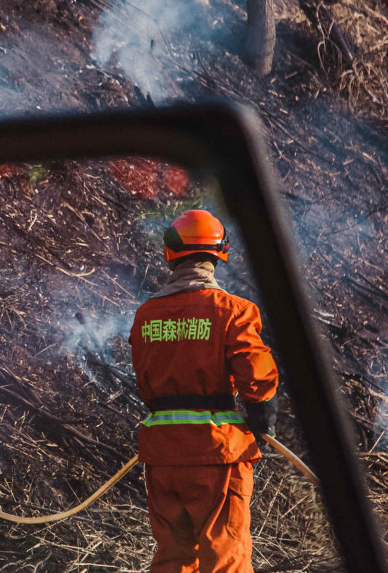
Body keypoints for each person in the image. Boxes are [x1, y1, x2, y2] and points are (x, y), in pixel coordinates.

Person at [129, 209, 279, 572]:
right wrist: (262, 419)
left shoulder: (145, 315)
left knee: (174, 558)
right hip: (217, 454)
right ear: (218, 253)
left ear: (171, 253)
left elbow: (146, 379)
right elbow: (256, 379)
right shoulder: (234, 311)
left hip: (162, 455)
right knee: (224, 558)